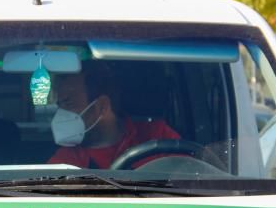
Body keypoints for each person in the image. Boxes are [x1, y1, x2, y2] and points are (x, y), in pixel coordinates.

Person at [48, 68, 179, 169]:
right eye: (60, 105)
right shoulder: (66, 159)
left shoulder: (157, 135)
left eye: (68, 104)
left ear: (102, 106)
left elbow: (189, 175)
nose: (61, 114)